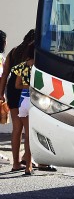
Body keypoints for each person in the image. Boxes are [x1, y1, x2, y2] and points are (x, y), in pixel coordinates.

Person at [0, 29, 34, 173]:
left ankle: (15, 163)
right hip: (26, 91)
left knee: (16, 129)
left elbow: (5, 74)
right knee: (29, 130)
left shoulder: (13, 51)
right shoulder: (33, 54)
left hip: (12, 91)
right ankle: (28, 163)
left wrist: (1, 94)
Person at [12, 42, 34, 175]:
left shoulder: (22, 66)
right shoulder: (39, 66)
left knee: (23, 132)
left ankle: (21, 163)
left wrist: (26, 86)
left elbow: (17, 85)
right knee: (29, 136)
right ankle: (29, 166)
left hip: (22, 101)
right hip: (33, 101)